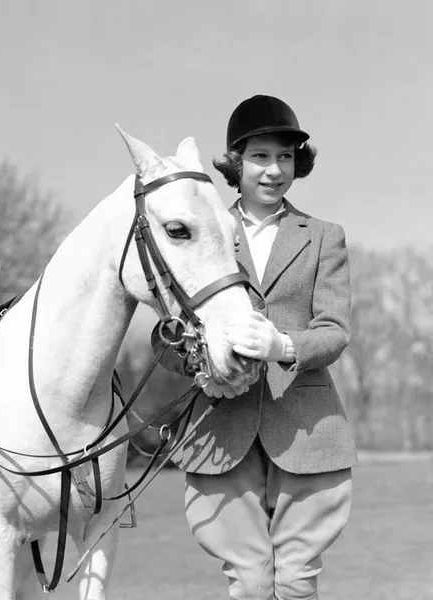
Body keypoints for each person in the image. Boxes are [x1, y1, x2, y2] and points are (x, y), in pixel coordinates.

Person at [162, 94, 356, 600]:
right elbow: (169, 336)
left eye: (285, 157)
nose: (274, 170)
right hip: (221, 427)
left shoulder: (323, 237)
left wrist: (282, 344)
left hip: (306, 426)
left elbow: (334, 331)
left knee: (295, 581)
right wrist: (201, 362)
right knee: (248, 583)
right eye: (261, 157)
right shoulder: (200, 231)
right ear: (235, 162)